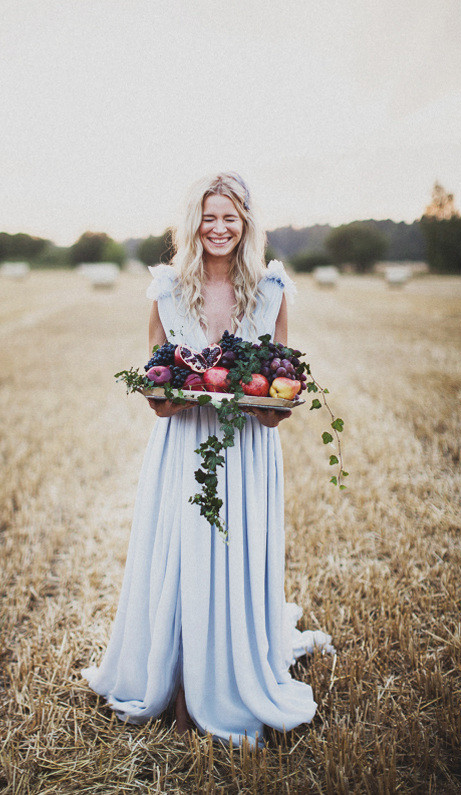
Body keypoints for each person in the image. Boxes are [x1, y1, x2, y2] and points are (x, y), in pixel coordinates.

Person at [82, 173, 333, 747]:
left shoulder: (270, 289)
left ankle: (231, 679)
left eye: (230, 217)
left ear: (246, 223)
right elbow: (159, 388)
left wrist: (275, 408)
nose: (219, 228)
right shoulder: (167, 290)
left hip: (247, 449)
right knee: (182, 555)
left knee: (236, 553)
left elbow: (279, 382)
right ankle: (174, 682)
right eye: (208, 217)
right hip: (185, 448)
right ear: (192, 223)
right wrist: (164, 395)